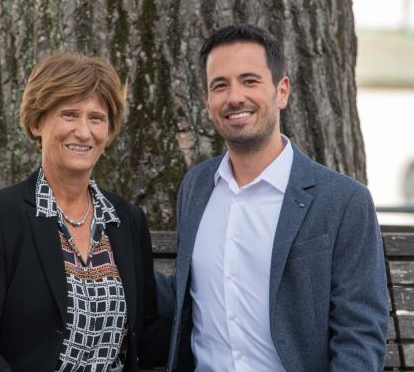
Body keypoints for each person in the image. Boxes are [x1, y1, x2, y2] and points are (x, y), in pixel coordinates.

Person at [165, 24, 389, 371]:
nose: (234, 97)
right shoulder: (196, 187)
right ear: (207, 101)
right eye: (220, 85)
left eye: (249, 81)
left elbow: (359, 336)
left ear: (281, 91)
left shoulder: (343, 202)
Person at [0, 51, 167, 372]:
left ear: (108, 131)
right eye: (69, 115)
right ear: (37, 122)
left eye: (96, 118)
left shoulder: (125, 220)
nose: (83, 131)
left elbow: (146, 335)